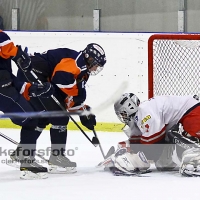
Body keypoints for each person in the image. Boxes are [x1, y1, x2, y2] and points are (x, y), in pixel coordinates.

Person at [11, 43, 107, 173]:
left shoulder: (83, 71)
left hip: (39, 77)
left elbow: (67, 97)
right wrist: (78, 96)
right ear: (89, 58)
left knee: (44, 117)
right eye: (96, 64)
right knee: (60, 116)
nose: (96, 68)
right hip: (32, 74)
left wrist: (82, 111)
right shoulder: (76, 62)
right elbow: (60, 80)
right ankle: (56, 158)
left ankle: (22, 152)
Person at [100, 93, 200, 177]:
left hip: (194, 112)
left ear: (129, 107)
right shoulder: (141, 115)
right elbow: (147, 144)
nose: (123, 117)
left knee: (186, 147)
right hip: (189, 114)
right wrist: (129, 148)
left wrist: (132, 157)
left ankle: (196, 157)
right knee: (163, 164)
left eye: (123, 114)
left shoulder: (145, 114)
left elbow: (153, 149)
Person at [0, 30, 54, 179]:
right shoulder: (2, 38)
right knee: (31, 119)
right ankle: (27, 164)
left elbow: (9, 78)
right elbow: (4, 44)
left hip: (5, 89)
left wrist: (33, 89)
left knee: (32, 116)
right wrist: (17, 54)